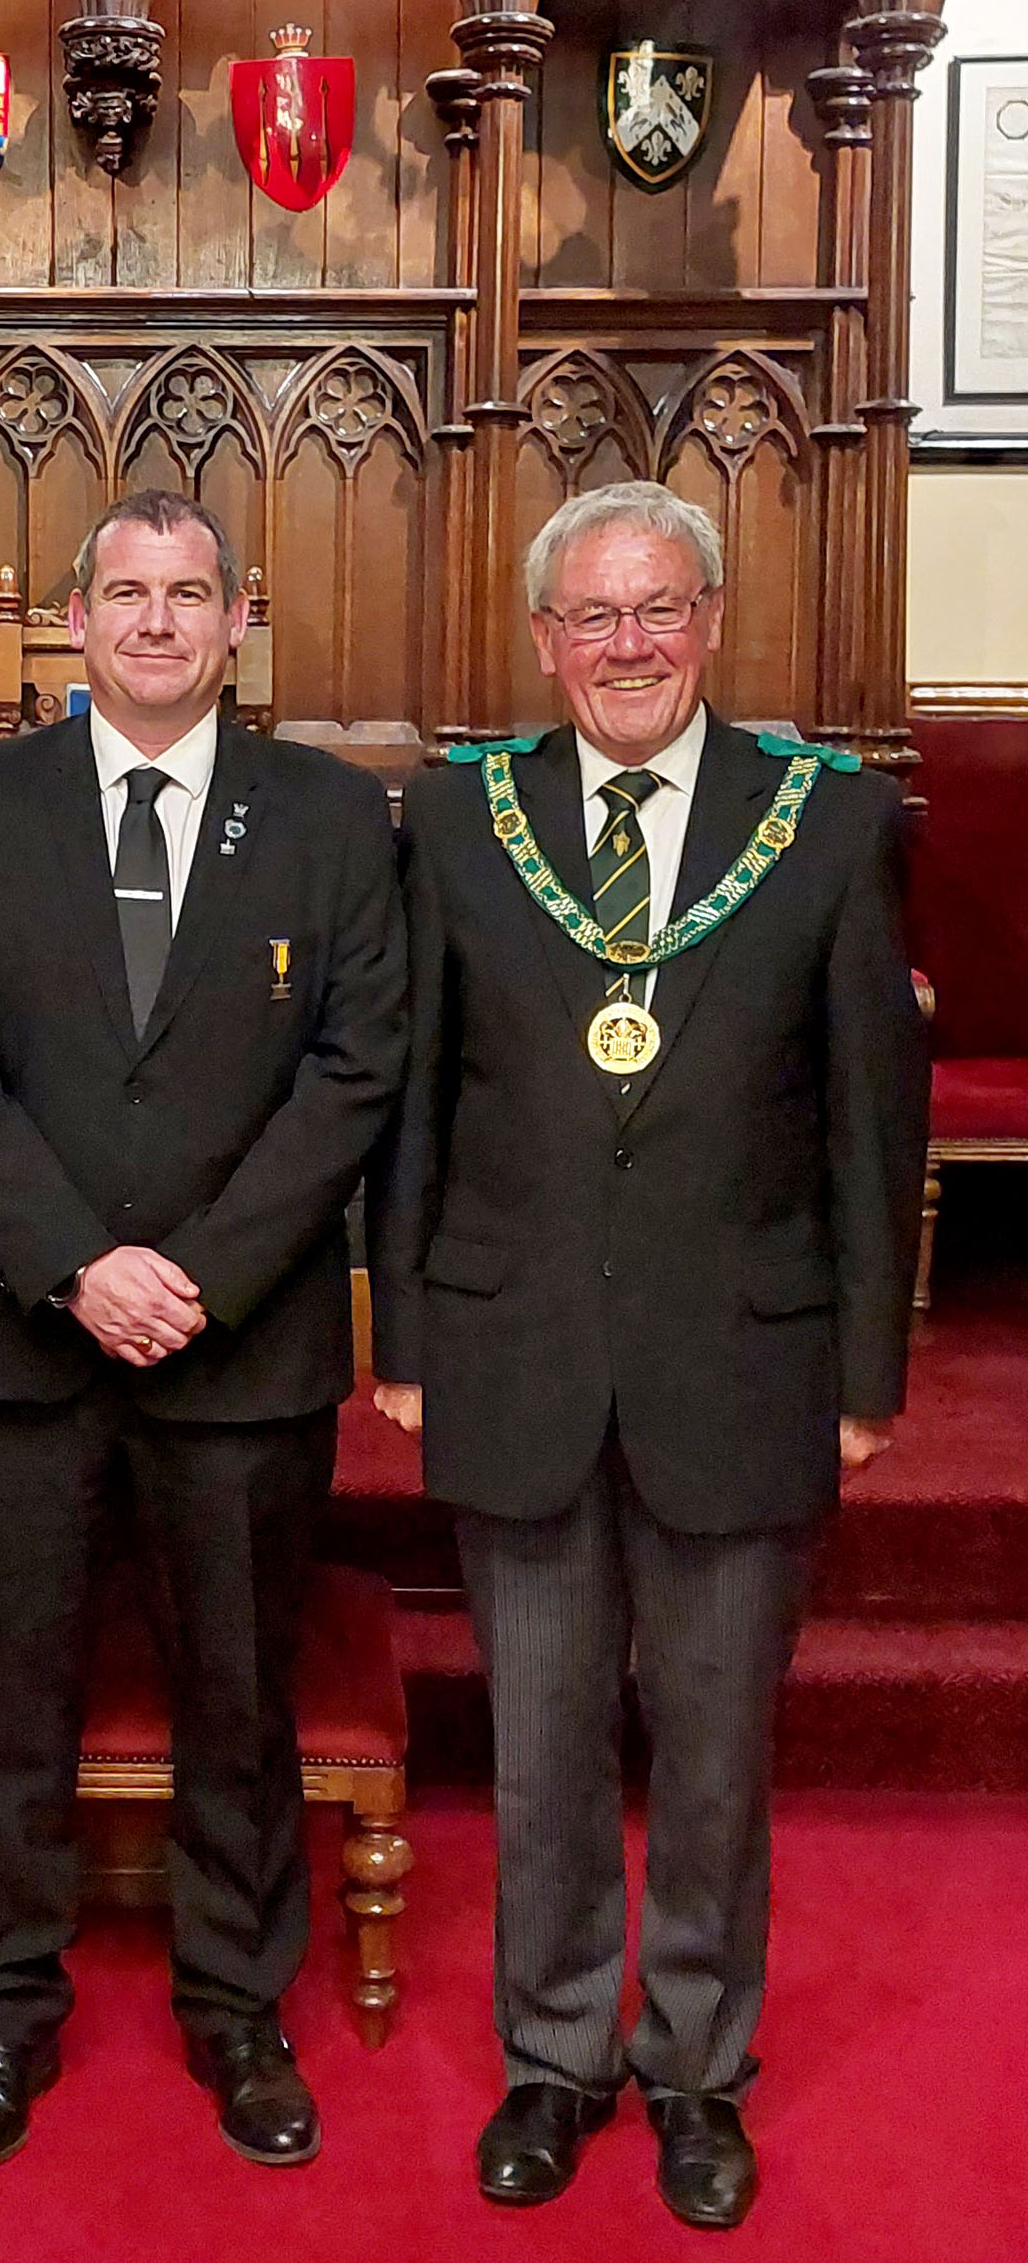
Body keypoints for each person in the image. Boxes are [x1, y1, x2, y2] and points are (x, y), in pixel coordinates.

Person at [368, 481, 927, 2231]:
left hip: (743, 1363)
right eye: (593, 619)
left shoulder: (824, 824)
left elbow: (869, 1118)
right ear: (546, 642)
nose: (628, 647)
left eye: (658, 611)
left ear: (709, 619)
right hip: (515, 1349)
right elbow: (414, 1095)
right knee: (535, 1749)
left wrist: (864, 1377)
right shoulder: (465, 819)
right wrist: (405, 1329)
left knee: (711, 1757)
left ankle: (696, 2068)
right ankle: (552, 2059)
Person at [0, 488, 407, 2174]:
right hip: (22, 1337)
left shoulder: (332, 814)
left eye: (191, 594)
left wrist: (204, 1272)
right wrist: (74, 1265)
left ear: (239, 617)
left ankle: (238, 2009)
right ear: (75, 617)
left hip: (240, 1347)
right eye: (127, 592)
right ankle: (5, 2005)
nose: (160, 622)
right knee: (13, 1686)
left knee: (238, 1694)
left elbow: (356, 1067)